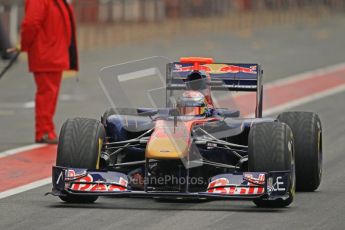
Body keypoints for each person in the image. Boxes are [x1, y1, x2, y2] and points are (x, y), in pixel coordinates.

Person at [21, 0, 78, 144]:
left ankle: (46, 130)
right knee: (47, 94)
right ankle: (43, 131)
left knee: (50, 94)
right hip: (47, 52)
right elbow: (30, 23)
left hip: (53, 52)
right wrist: (24, 45)